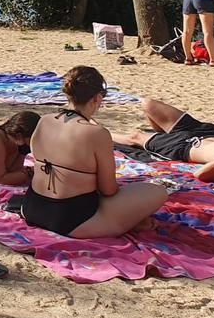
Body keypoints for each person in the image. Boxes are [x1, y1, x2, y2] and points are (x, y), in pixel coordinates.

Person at [21, 66, 169, 238]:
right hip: (70, 221)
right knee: (158, 192)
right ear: (97, 97)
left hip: (32, 207)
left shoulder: (44, 121)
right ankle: (128, 222)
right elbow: (108, 190)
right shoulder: (96, 133)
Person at [113, 99, 214, 183]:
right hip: (205, 131)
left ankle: (95, 130)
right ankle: (160, 136)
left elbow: (201, 175)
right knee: (148, 104)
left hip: (184, 146)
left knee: (135, 136)